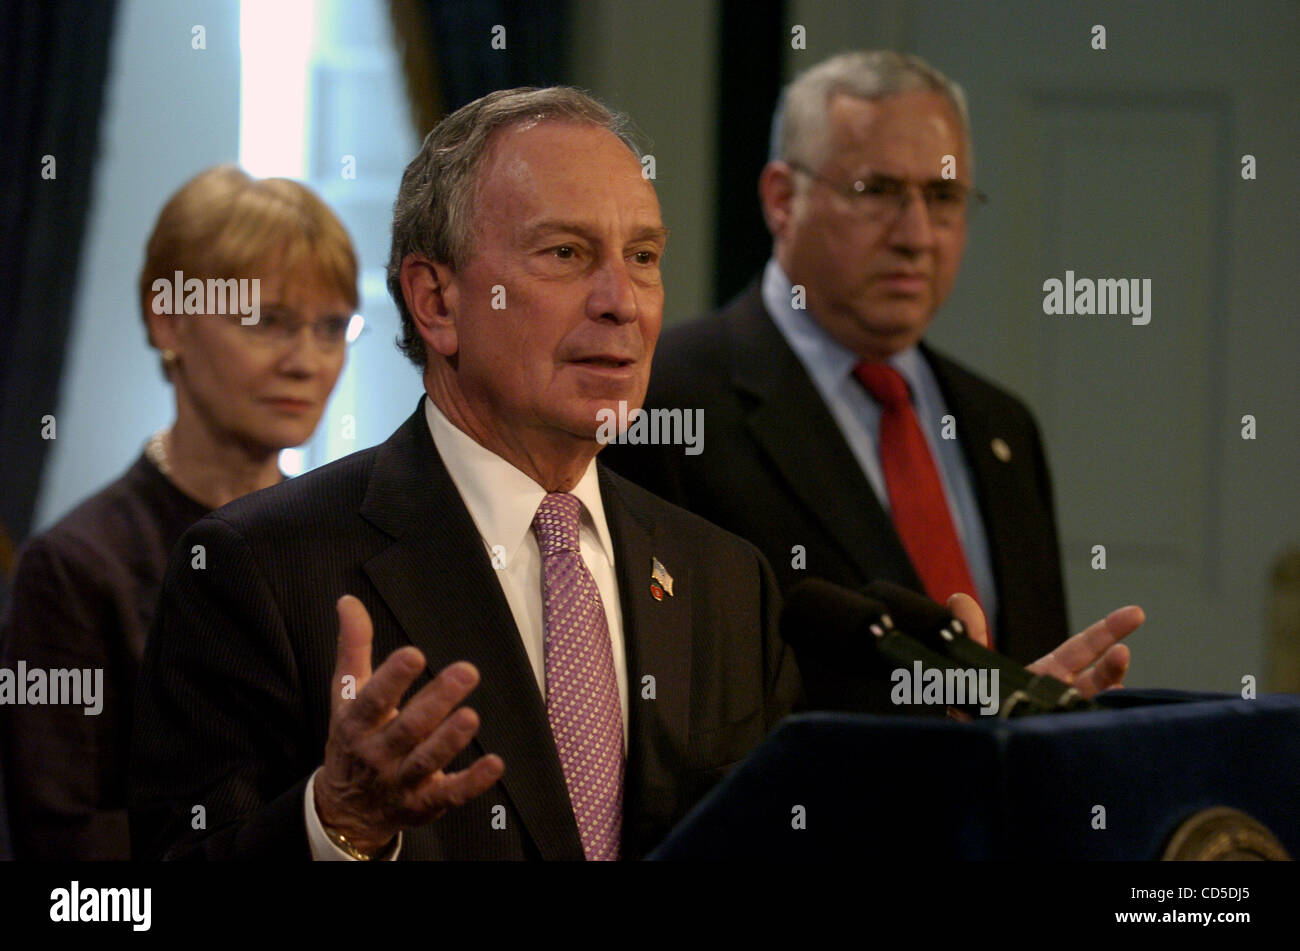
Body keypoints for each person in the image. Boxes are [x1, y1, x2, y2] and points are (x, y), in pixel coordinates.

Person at [130, 87, 1137, 863]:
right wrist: (337, 824)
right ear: (435, 302)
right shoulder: (262, 571)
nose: (624, 302)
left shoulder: (719, 579)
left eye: (645, 257)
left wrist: (986, 754)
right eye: (567, 254)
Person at [603, 51, 1067, 665]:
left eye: (944, 196)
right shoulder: (660, 399)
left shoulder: (1002, 425)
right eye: (876, 191)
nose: (917, 236)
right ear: (781, 200)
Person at [0, 165, 358, 860]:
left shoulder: (343, 542)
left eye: (332, 327)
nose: (307, 361)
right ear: (170, 320)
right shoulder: (76, 570)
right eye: (268, 321)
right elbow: (72, 864)